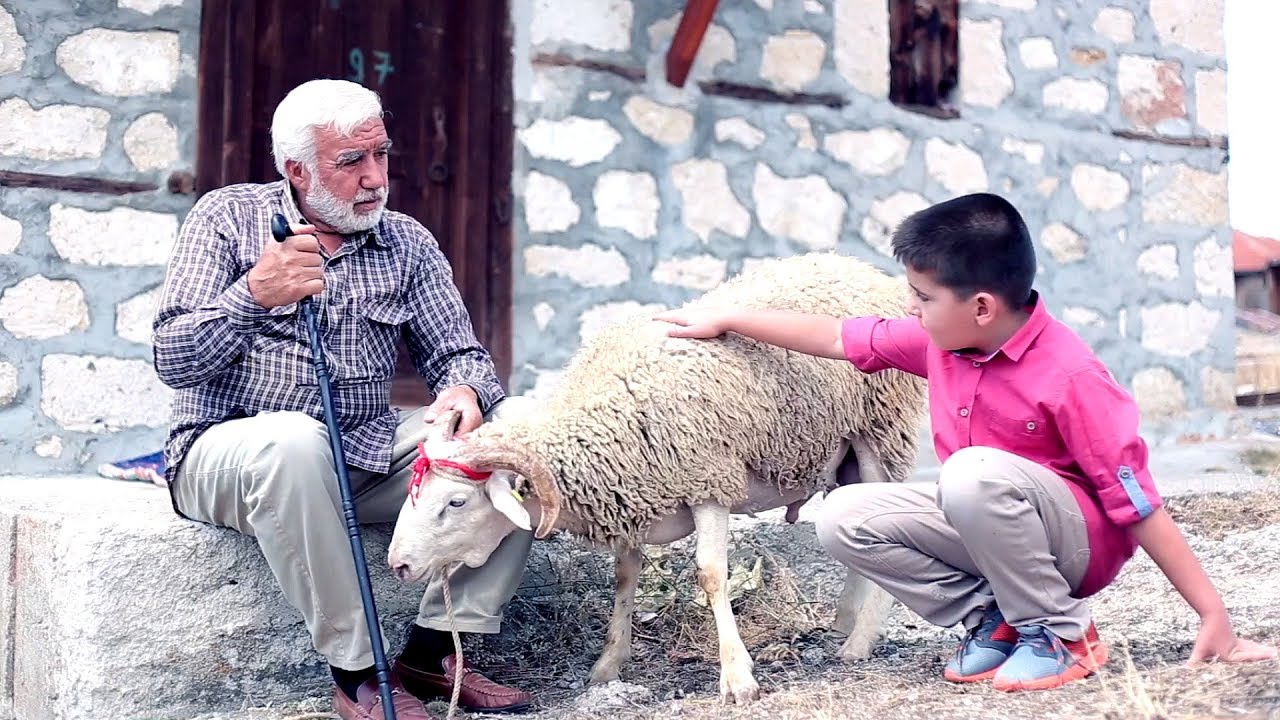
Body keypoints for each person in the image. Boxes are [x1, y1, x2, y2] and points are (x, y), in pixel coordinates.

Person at [654, 193, 1277, 692]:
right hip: (990, 521)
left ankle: (1061, 635)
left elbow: (1136, 503)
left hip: (1076, 545)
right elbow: (837, 337)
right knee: (842, 515)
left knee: (972, 472)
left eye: (923, 298)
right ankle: (996, 619)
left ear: (981, 306)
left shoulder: (1071, 375)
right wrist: (729, 319)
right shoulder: (941, 340)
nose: (911, 308)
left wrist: (1212, 615)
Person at [153, 79, 535, 719]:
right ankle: (358, 671)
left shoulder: (405, 241)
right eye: (352, 162)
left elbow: (463, 356)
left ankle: (436, 645)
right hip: (232, 456)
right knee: (295, 442)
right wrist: (253, 296)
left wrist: (466, 390)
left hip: (359, 452)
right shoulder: (225, 218)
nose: (375, 178)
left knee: (516, 427)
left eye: (381, 155)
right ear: (296, 169)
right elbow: (173, 358)